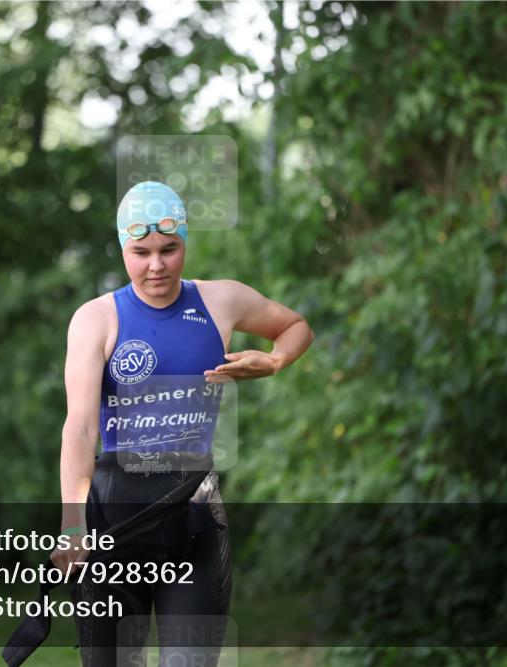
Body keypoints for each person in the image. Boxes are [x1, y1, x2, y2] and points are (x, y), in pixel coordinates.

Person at [51, 181, 314, 666]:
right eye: (141, 251)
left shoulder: (221, 302)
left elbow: (296, 327)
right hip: (115, 516)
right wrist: (72, 522)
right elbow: (81, 429)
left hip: (194, 512)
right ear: (122, 248)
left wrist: (275, 361)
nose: (156, 265)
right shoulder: (96, 320)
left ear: (185, 243)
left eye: (169, 249)